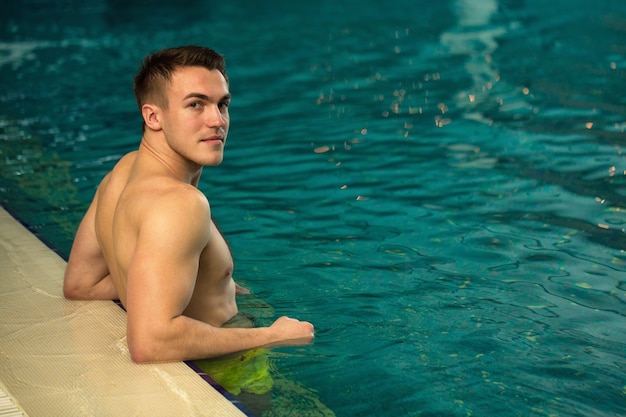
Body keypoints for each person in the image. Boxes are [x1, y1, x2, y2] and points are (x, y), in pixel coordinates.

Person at [63, 45, 314, 363]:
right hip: (222, 371)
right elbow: (150, 343)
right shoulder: (180, 205)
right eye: (196, 104)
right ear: (153, 116)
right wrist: (272, 336)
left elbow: (80, 284)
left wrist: (164, 279)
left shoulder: (123, 172)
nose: (217, 121)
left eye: (222, 104)